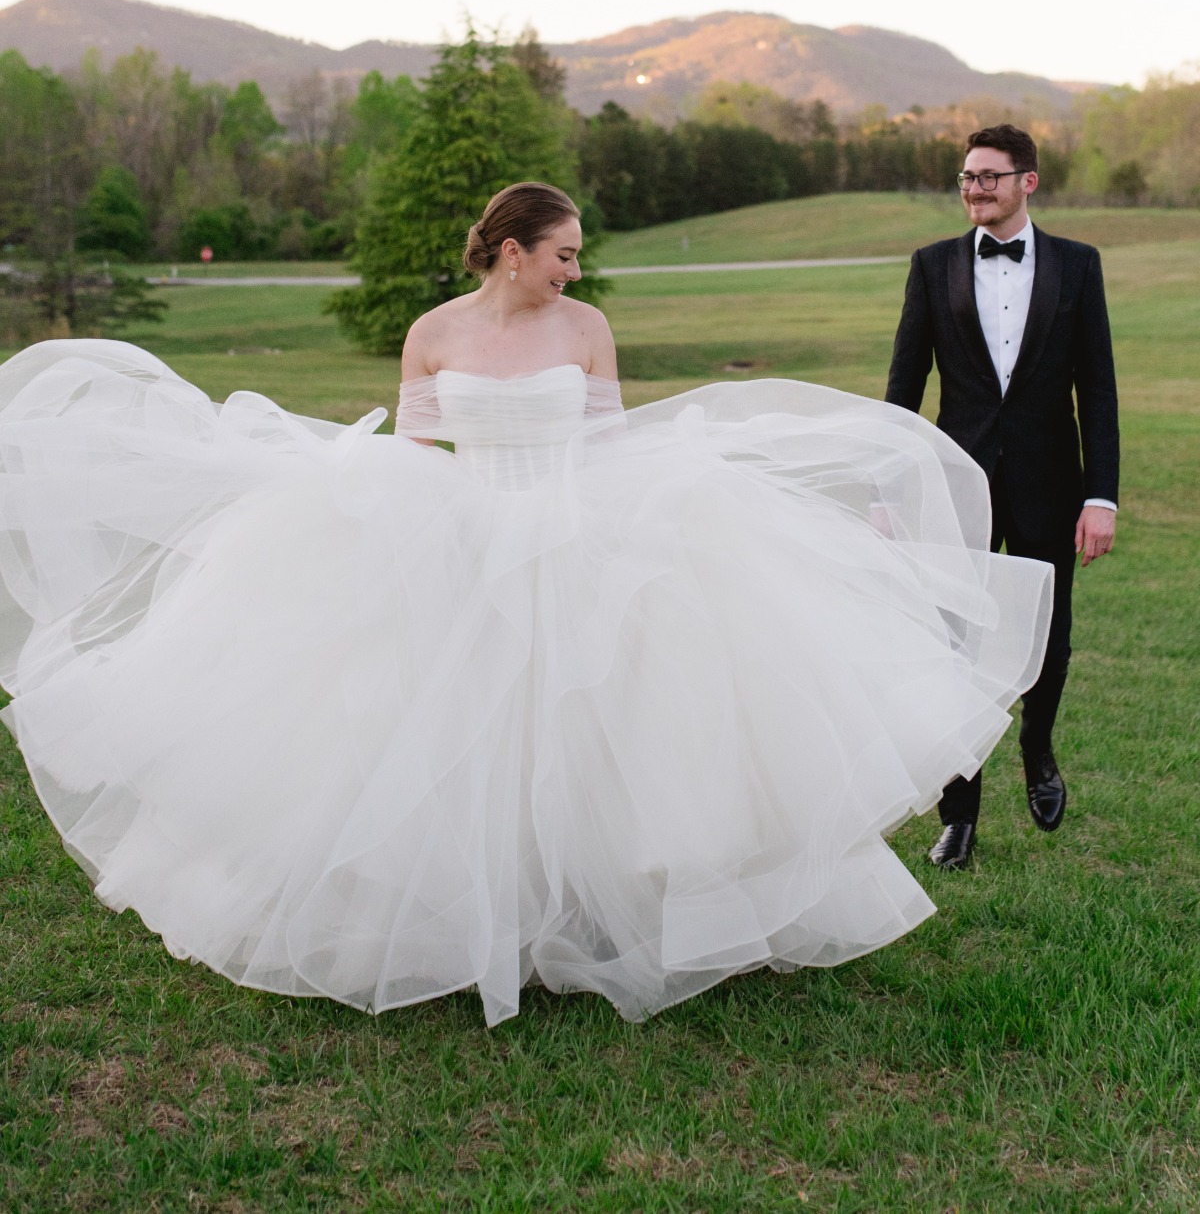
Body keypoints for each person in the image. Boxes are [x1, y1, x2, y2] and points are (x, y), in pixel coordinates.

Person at [0, 181, 1052, 1027]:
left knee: (596, 726)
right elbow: (415, 452)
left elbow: (607, 446)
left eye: (577, 254)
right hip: (462, 523)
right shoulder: (435, 332)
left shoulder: (586, 327)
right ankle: (457, 921)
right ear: (514, 250)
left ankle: (593, 914)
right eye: (563, 251)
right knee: (448, 727)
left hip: (576, 524)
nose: (576, 266)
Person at [885, 126, 1119, 870]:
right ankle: (960, 812)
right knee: (956, 642)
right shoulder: (933, 266)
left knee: (1049, 634)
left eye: (989, 176)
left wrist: (1101, 495)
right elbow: (903, 388)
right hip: (961, 485)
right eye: (966, 177)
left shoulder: (1079, 267)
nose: (975, 187)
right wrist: (890, 487)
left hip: (1052, 483)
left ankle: (1037, 744)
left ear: (1029, 182)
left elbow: (1099, 390)